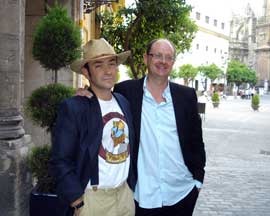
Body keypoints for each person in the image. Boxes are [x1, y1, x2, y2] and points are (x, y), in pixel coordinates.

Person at [78, 38, 206, 216]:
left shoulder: (186, 96)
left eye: (168, 57)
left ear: (173, 62)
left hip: (181, 192)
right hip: (142, 195)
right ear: (146, 58)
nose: (163, 61)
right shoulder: (126, 91)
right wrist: (86, 93)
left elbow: (196, 142)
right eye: (157, 56)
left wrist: (198, 181)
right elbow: (103, 98)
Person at [49, 38, 136, 216]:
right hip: (93, 200)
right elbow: (60, 159)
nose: (107, 71)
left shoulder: (123, 102)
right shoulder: (74, 107)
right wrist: (77, 201)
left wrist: (131, 188)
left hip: (125, 196)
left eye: (111, 64)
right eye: (98, 65)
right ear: (86, 72)